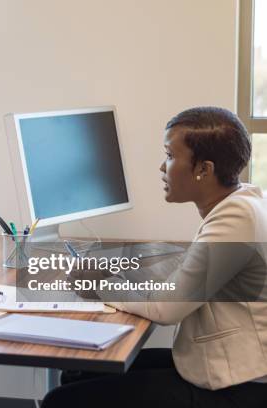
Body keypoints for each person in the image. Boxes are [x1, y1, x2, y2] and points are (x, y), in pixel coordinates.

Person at [42, 106, 267, 407]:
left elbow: (168, 309)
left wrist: (100, 285)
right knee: (80, 373)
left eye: (171, 156)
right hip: (229, 363)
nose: (163, 167)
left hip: (240, 385)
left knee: (63, 400)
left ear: (204, 169)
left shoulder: (236, 217)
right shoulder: (243, 201)